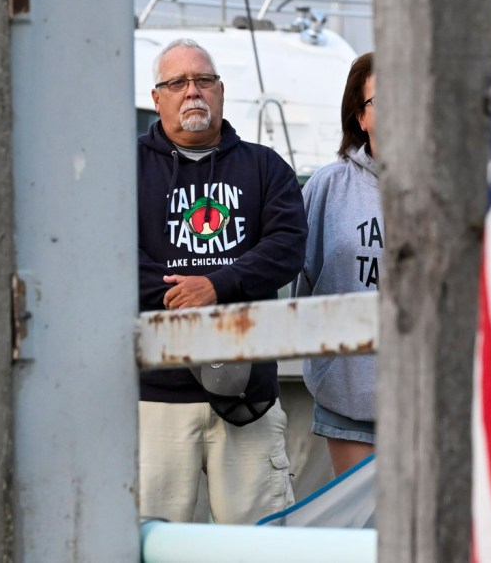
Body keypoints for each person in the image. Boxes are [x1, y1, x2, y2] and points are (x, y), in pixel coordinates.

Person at [137, 38, 307, 524]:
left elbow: (287, 247)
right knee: (149, 543)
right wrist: (180, 295)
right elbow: (107, 254)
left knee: (258, 544)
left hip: (249, 392)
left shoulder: (265, 166)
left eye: (204, 80)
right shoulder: (125, 169)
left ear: (221, 90)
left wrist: (216, 285)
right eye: (178, 83)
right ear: (157, 98)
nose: (193, 91)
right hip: (157, 394)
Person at [294, 52, 382, 475]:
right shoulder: (327, 186)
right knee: (362, 517)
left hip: (434, 399)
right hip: (349, 403)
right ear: (360, 116)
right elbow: (299, 281)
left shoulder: (452, 189)